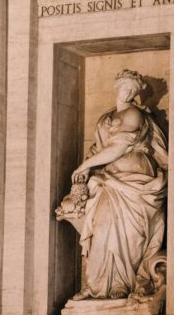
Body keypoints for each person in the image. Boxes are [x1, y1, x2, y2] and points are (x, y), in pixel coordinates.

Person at [61, 69, 167, 301]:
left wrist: (84, 166)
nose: (129, 92)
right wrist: (91, 167)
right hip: (109, 181)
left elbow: (119, 148)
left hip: (134, 183)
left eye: (133, 90)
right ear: (117, 87)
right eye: (126, 87)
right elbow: (100, 150)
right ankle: (95, 285)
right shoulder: (105, 118)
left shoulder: (134, 115)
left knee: (129, 234)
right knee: (102, 228)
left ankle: (122, 283)